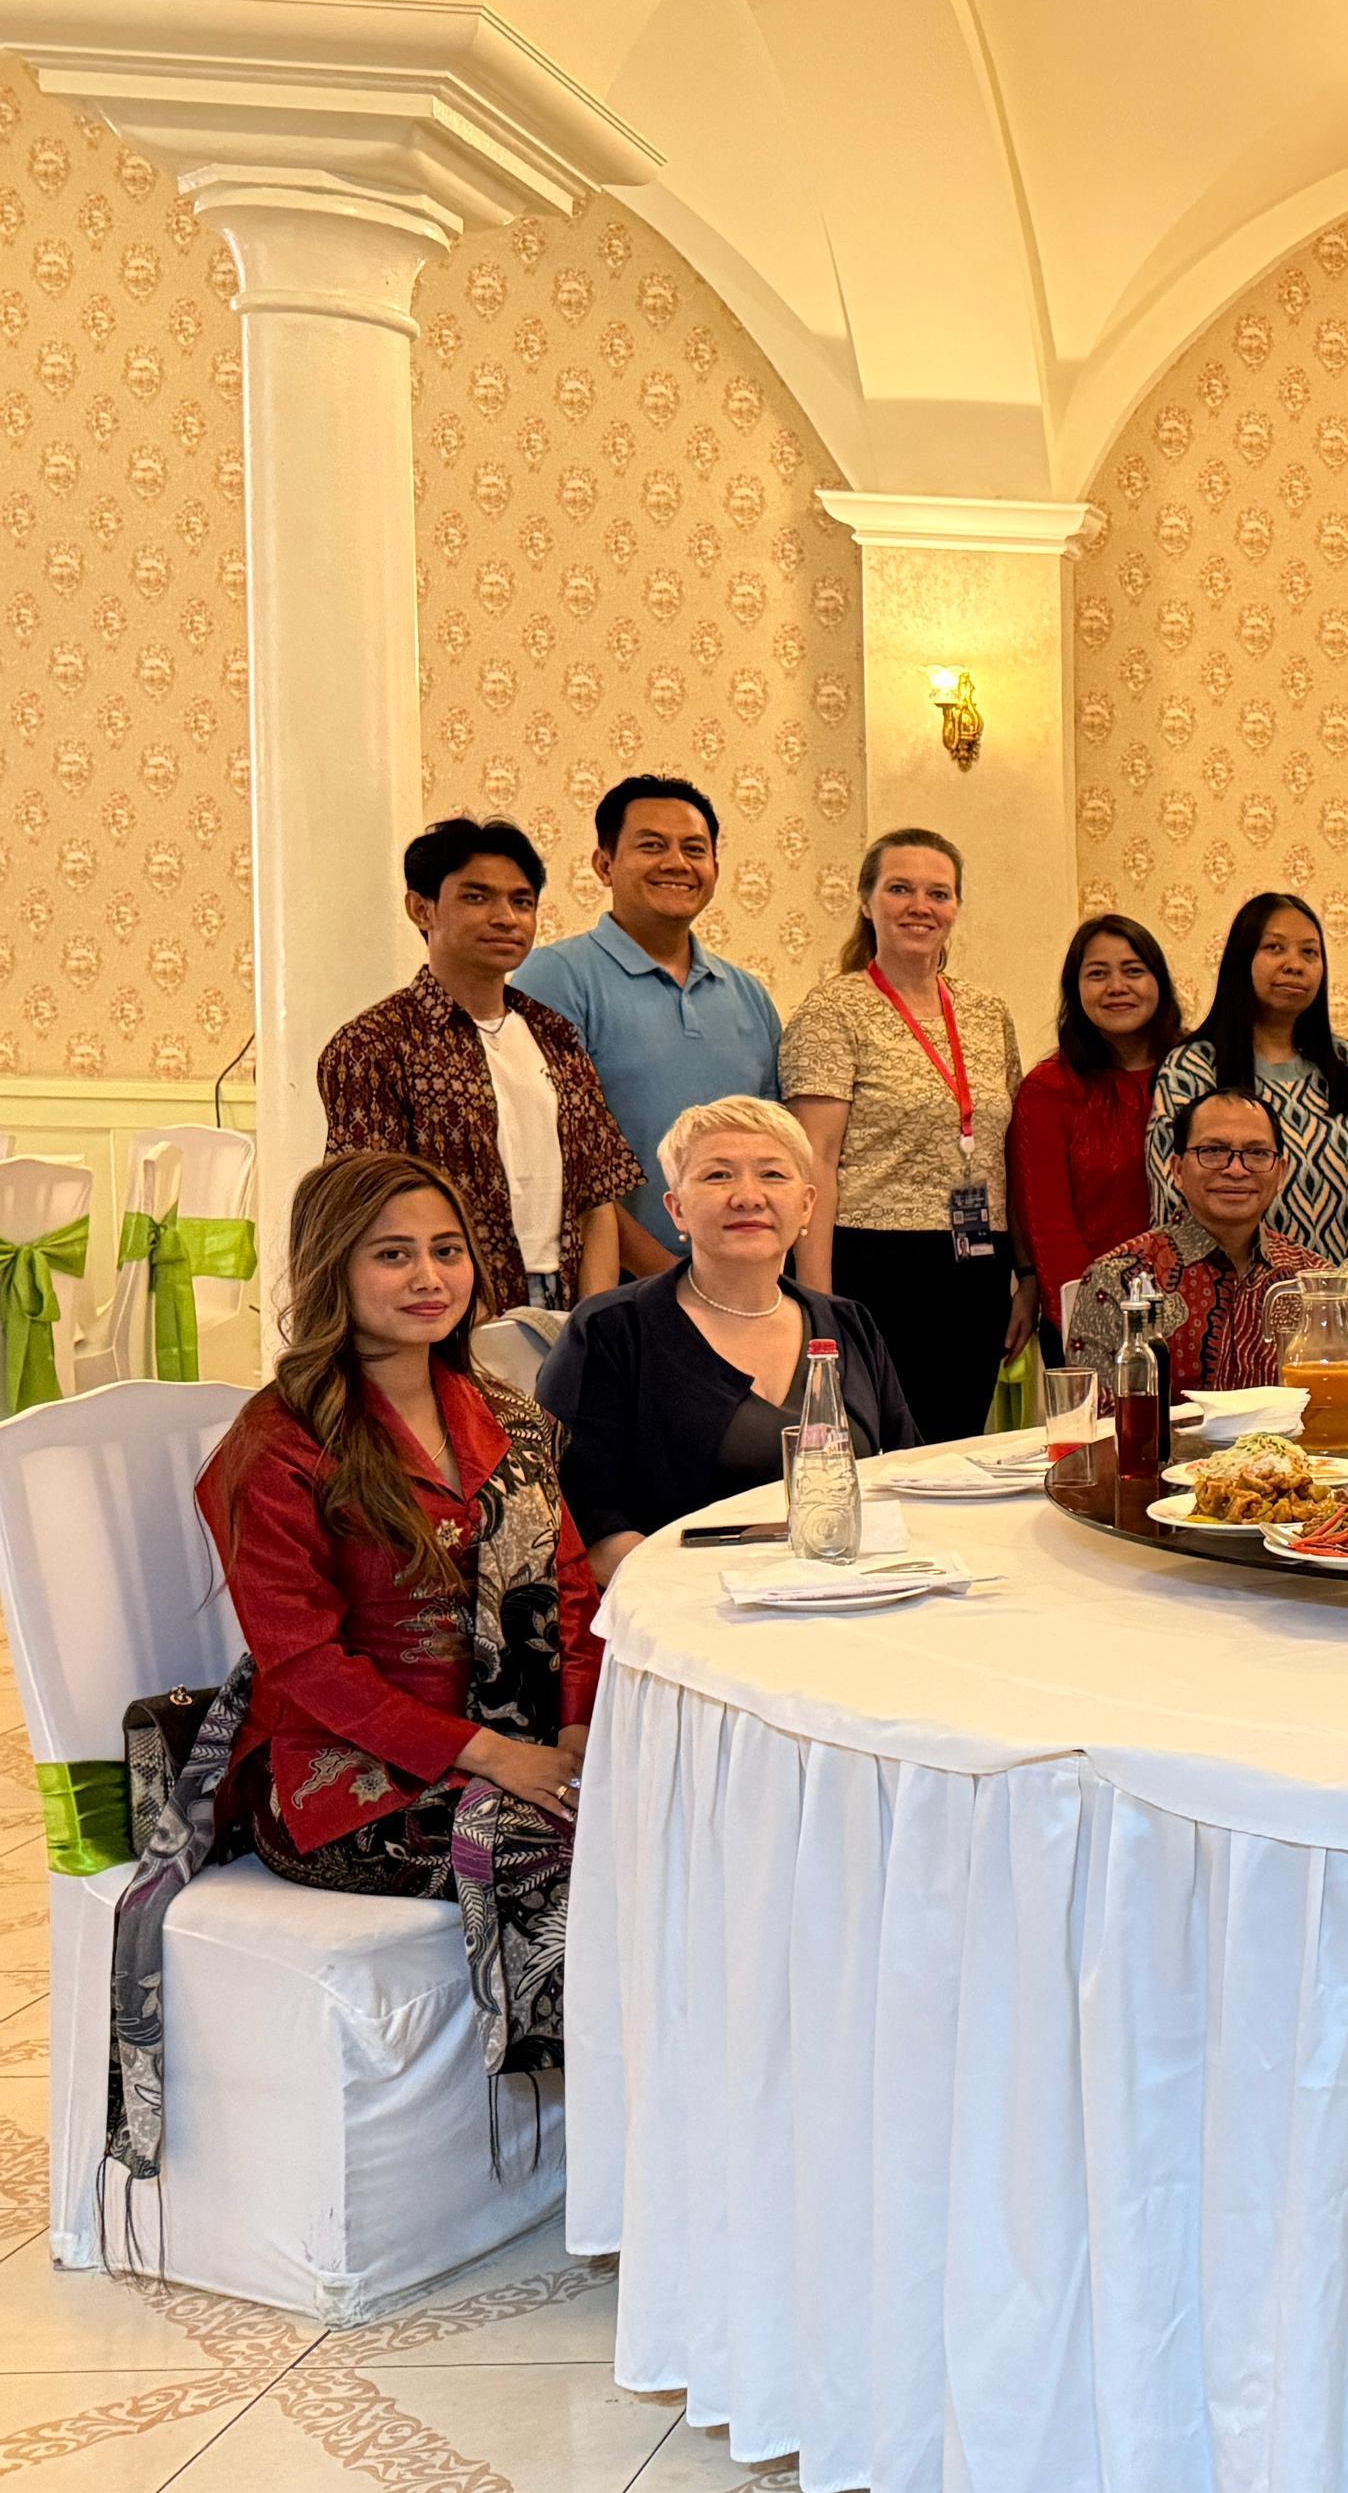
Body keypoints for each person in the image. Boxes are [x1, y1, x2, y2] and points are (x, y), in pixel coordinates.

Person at [192, 1150, 599, 2075]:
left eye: (447, 1250)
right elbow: (305, 1664)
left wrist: (574, 1730)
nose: (429, 1278)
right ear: (333, 1267)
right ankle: (583, 2137)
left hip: (526, 1736)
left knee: (677, 1803)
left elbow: (572, 1587)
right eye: (392, 1255)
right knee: (566, 1845)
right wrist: (499, 1756)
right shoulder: (280, 1445)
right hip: (345, 1777)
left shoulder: (507, 1415)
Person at [540, 1096, 921, 1575]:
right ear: (677, 1209)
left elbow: (904, 1477)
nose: (747, 1196)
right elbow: (584, 1526)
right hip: (683, 1611)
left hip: (850, 1598)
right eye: (718, 1175)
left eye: (772, 1175)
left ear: (806, 1205)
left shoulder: (848, 1324)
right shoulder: (610, 1331)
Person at [318, 817, 641, 1316]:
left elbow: (596, 1197)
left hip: (566, 1302)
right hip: (441, 1312)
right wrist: (459, 1320)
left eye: (521, 901)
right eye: (476, 897)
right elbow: (367, 1211)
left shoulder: (555, 1035)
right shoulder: (374, 1044)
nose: (505, 917)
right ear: (420, 908)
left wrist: (591, 1324)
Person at [784, 828, 1024, 1441]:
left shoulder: (987, 1011)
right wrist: (819, 1306)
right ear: (867, 902)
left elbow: (1006, 1149)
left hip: (976, 1264)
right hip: (875, 1264)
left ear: (956, 908)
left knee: (957, 1443)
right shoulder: (833, 1010)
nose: (920, 906)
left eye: (938, 893)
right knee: (888, 1448)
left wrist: (1024, 1274)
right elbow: (817, 1163)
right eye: (900, 889)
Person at [509, 775, 786, 1278]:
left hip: (738, 1283)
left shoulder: (750, 996)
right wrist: (672, 1283)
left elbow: (771, 1151)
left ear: (715, 868)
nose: (676, 863)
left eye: (694, 849)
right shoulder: (554, 978)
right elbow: (559, 1158)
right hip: (608, 1288)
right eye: (652, 846)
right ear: (604, 864)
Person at [1143, 893, 1348, 1285]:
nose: (1294, 965)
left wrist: (1342, 1298)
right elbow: (1173, 1195)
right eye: (1274, 948)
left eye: (1310, 953)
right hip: (1224, 1311)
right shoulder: (1192, 1067)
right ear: (1241, 960)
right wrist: (1235, 1298)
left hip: (1344, 1314)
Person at [1069, 1086, 1330, 1393]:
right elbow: (1092, 1422)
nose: (1236, 1170)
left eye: (1257, 1153)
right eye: (1213, 1151)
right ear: (1177, 1171)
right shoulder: (1120, 1279)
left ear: (1281, 1172)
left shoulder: (1314, 1280)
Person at [1009, 914, 1186, 1355]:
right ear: (1076, 990)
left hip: (1196, 1310)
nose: (1117, 987)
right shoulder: (1049, 1089)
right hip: (1089, 1318)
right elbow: (1048, 1225)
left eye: (1133, 970)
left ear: (1159, 981)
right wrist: (1094, 1319)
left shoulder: (1197, 1072)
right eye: (1097, 974)